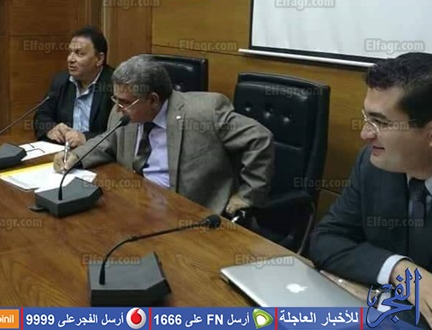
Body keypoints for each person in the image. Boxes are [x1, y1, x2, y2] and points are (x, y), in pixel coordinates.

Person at [309, 53, 432, 330]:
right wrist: (398, 269)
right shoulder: (374, 162)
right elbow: (326, 239)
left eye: (381, 122)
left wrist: (379, 302)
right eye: (366, 118)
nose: (365, 134)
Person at [53, 55, 275, 217]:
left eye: (125, 102)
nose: (118, 108)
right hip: (135, 204)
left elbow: (259, 138)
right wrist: (76, 156)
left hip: (189, 215)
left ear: (153, 100)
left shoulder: (205, 112)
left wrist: (248, 195)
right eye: (115, 99)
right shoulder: (123, 110)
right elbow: (109, 141)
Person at [33, 26, 114, 148]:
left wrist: (86, 138)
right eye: (70, 52)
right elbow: (41, 115)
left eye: (79, 53)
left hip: (98, 154)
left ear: (99, 58)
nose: (70, 59)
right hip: (62, 150)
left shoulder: (115, 86)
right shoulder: (61, 81)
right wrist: (51, 129)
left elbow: (120, 133)